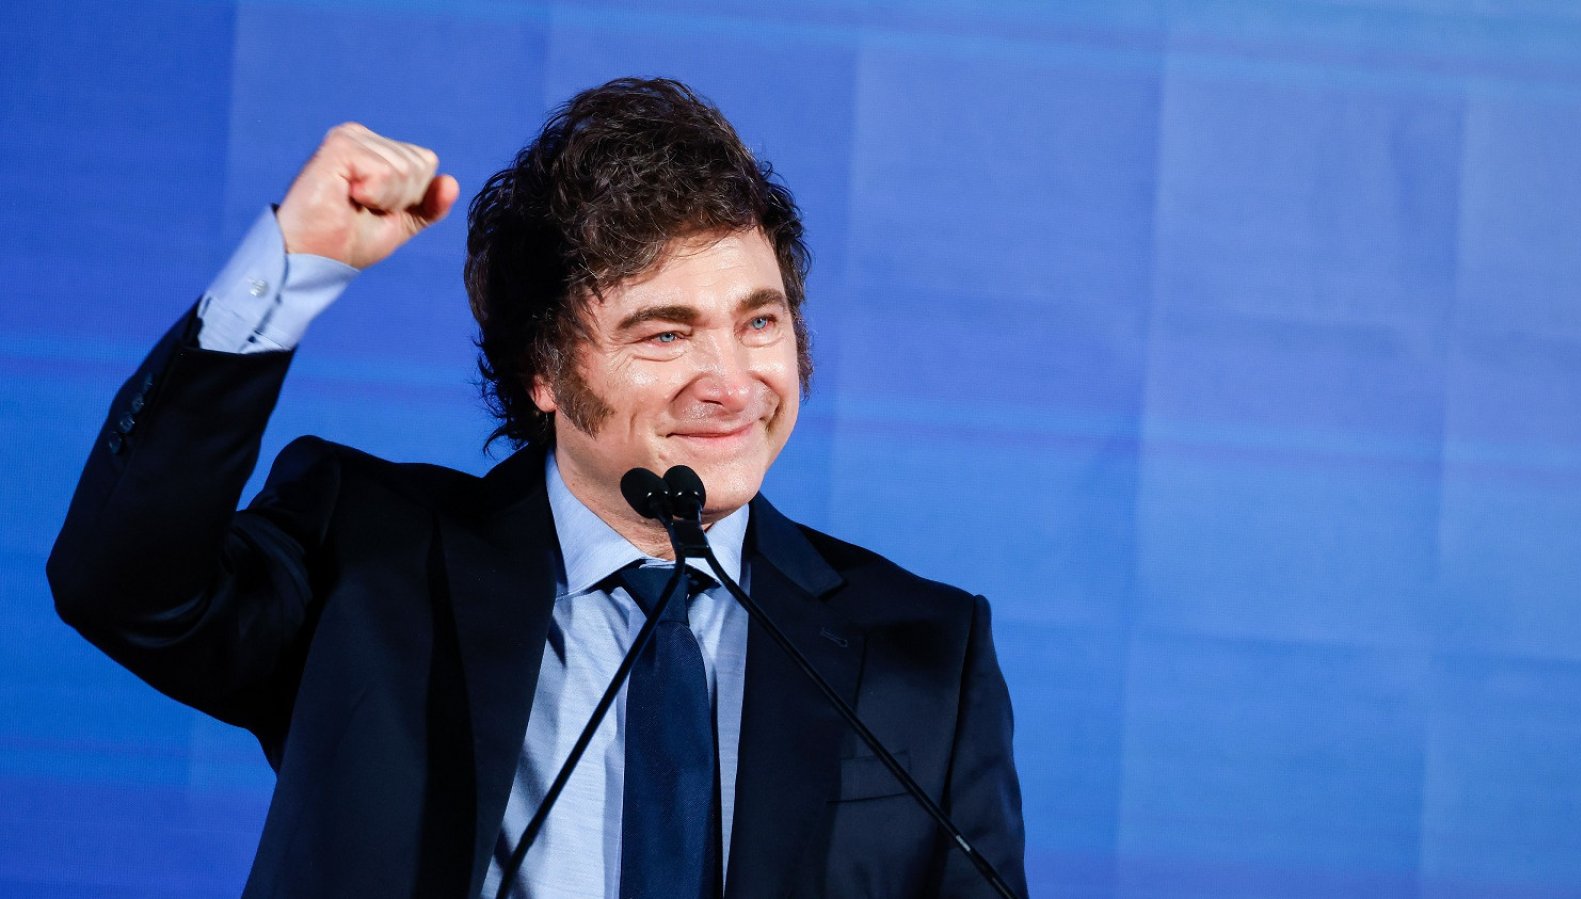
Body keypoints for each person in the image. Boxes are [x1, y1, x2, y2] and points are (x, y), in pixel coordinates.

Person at [48, 78, 1026, 898]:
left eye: (759, 321)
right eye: (666, 332)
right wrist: (291, 267)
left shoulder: (928, 652)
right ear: (543, 371)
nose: (733, 384)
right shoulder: (369, 559)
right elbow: (122, 582)